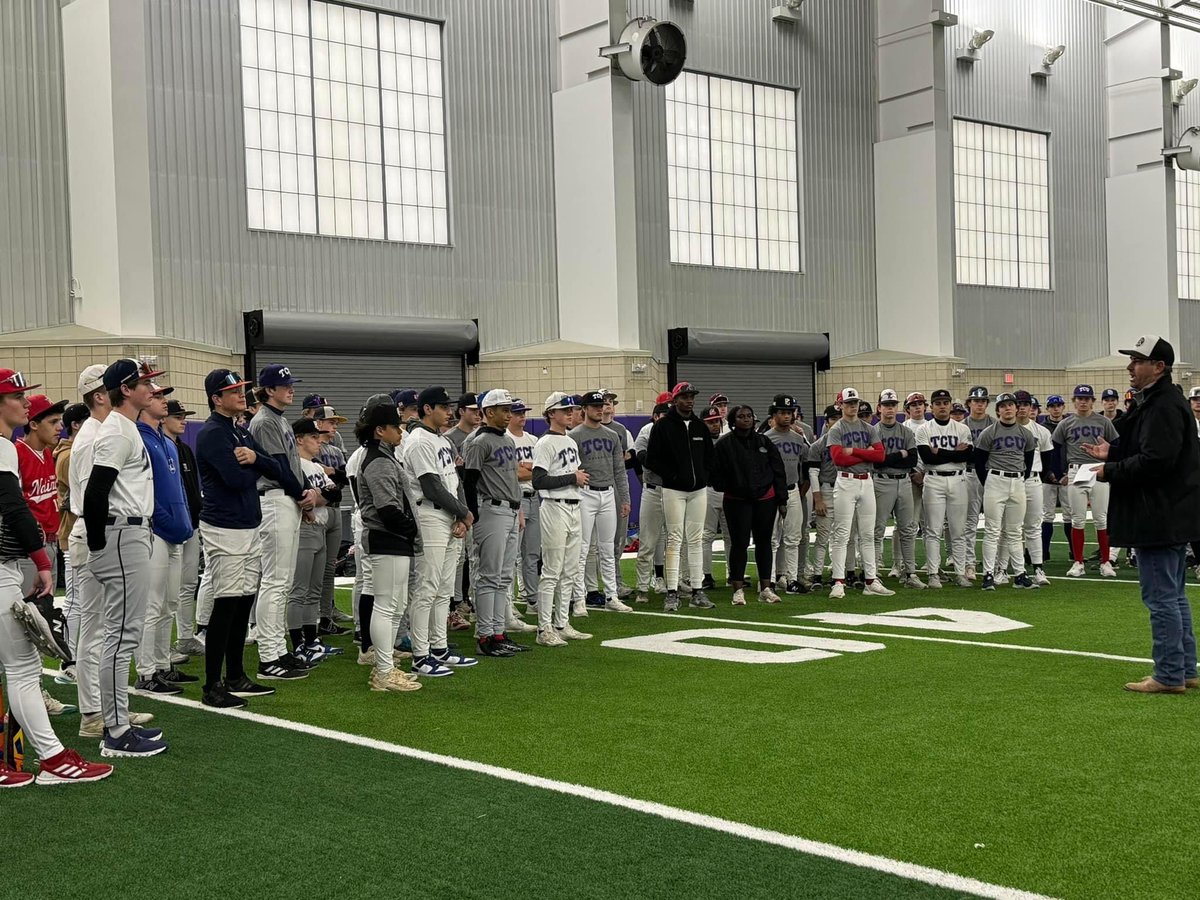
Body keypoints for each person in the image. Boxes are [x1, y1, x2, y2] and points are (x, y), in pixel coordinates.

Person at [0, 368, 113, 785]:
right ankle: (53, 758)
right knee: (25, 667)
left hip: (9, 565)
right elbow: (13, 508)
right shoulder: (4, 448)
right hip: (3, 566)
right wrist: (42, 562)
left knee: (14, 666)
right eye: (17, 396)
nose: (26, 402)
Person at [1083, 334, 1200, 693]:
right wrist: (1114, 452)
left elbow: (1156, 462)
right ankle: (1184, 669)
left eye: (1138, 360)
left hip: (1158, 514)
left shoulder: (1162, 405)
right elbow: (1152, 451)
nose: (1131, 367)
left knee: (1161, 596)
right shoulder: (1162, 401)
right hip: (1170, 512)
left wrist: (1110, 471)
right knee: (1174, 593)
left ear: (1158, 367)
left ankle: (1168, 675)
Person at [81, 359, 168, 757]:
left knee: (120, 635)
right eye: (143, 383)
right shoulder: (117, 429)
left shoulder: (124, 427)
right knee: (120, 637)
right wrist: (101, 543)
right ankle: (115, 732)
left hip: (129, 531)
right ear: (125, 389)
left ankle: (117, 722)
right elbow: (95, 492)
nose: (151, 388)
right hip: (121, 533)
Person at [195, 368, 287, 705]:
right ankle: (212, 685)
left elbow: (275, 467)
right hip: (225, 525)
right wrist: (257, 466)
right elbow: (236, 479)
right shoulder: (212, 434)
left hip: (246, 523)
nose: (241, 395)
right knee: (227, 602)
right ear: (216, 398)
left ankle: (235, 675)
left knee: (243, 599)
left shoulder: (239, 431)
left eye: (242, 389)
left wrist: (255, 460)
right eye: (233, 391)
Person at [247, 364, 319, 681]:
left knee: (283, 582)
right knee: (275, 582)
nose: (290, 389)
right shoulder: (263, 421)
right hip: (274, 498)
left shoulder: (277, 419)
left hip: (285, 499)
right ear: (269, 390)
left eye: (291, 384)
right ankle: (269, 657)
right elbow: (276, 467)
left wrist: (301, 495)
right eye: (284, 384)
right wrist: (303, 493)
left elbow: (288, 465)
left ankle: (279, 651)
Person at [402, 386, 477, 678]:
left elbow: (453, 482)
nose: (449, 412)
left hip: (448, 515)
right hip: (429, 514)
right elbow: (431, 486)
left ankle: (439, 648)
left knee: (444, 588)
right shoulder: (419, 440)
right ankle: (420, 655)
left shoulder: (441, 440)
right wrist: (463, 512)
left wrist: (461, 514)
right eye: (444, 407)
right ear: (427, 409)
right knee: (427, 587)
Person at [353, 400, 421, 693]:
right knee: (387, 605)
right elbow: (387, 509)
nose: (401, 432)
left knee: (394, 606)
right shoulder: (378, 460)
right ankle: (383, 671)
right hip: (387, 538)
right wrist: (410, 530)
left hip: (392, 539)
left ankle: (385, 667)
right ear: (379, 430)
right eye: (395, 427)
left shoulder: (383, 456)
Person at [132, 382, 196, 696]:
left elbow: (179, 488)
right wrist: (164, 519)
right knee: (152, 604)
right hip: (154, 530)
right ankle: (145, 672)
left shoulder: (167, 441)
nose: (163, 401)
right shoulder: (139, 438)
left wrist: (182, 521)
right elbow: (142, 489)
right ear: (143, 403)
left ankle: (162, 664)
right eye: (157, 396)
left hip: (173, 529)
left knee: (169, 603)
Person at [463, 389, 530, 657]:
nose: (508, 415)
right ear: (488, 412)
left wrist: (519, 509)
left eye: (509, 410)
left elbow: (511, 476)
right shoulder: (478, 441)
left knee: (503, 577)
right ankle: (485, 635)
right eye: (503, 410)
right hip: (490, 509)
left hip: (511, 509)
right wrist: (472, 514)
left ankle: (499, 632)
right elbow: (469, 479)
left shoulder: (506, 440)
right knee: (489, 576)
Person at [645, 382, 714, 611]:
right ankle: (672, 592)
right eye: (684, 397)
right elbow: (652, 459)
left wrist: (703, 476)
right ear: (674, 401)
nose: (689, 400)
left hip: (698, 490)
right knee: (674, 540)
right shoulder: (662, 426)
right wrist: (672, 476)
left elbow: (708, 456)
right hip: (673, 490)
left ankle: (697, 590)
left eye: (691, 396)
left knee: (694, 540)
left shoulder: (699, 426)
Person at [709, 404, 787, 605]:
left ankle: (766, 588)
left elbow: (778, 470)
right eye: (741, 416)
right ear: (733, 421)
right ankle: (737, 590)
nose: (746, 419)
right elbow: (714, 474)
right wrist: (733, 486)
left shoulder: (764, 442)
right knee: (739, 544)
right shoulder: (725, 445)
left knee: (764, 543)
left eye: (749, 416)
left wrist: (781, 499)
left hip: (765, 500)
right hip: (737, 501)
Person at [531, 393, 591, 646]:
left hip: (574, 504)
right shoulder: (546, 443)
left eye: (571, 410)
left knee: (570, 569)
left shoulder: (569, 440)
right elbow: (538, 480)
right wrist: (572, 478)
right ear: (550, 414)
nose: (570, 413)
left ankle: (561, 622)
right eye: (564, 410)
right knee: (552, 570)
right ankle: (544, 628)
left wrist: (575, 479)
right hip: (555, 506)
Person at [824, 389, 893, 599]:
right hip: (845, 481)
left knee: (867, 534)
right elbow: (838, 459)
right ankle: (838, 581)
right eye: (849, 402)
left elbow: (880, 456)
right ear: (840, 405)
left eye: (855, 402)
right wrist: (866, 455)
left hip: (866, 481)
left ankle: (870, 580)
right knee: (842, 534)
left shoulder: (868, 428)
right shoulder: (836, 429)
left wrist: (854, 451)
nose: (853, 406)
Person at [569, 391, 633, 614]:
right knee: (583, 548)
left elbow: (619, 470)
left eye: (602, 405)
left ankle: (611, 595)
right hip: (585, 493)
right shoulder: (574, 436)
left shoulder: (612, 435)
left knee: (608, 548)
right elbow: (571, 470)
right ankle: (579, 598)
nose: (599, 409)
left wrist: (624, 498)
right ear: (584, 409)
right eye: (595, 405)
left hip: (607, 493)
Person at [287, 418, 342, 665]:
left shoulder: (317, 467)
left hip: (318, 526)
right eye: (312, 436)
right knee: (299, 589)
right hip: (303, 528)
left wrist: (316, 497)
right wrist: (318, 497)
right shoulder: (294, 463)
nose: (318, 441)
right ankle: (297, 642)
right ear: (299, 438)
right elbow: (300, 495)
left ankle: (311, 639)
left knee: (314, 589)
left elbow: (336, 492)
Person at [1052, 385, 1119, 578]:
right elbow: (1055, 448)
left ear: (1092, 401)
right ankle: (1078, 562)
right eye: (1080, 398)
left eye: (1087, 398)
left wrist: (1111, 469)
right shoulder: (1066, 423)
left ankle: (1105, 561)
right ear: (1074, 401)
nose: (1083, 401)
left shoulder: (1104, 421)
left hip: (1098, 469)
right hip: (1076, 470)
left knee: (1101, 518)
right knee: (1077, 518)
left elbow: (1115, 445)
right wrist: (1059, 473)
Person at [973, 393, 1037, 591]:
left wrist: (1019, 479)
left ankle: (1019, 574)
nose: (1008, 408)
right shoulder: (989, 432)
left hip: (1017, 480)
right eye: (1004, 406)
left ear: (1016, 408)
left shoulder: (1025, 434)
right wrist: (990, 482)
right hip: (995, 479)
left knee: (1015, 531)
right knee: (992, 530)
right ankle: (988, 574)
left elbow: (1028, 459)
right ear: (998, 410)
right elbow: (979, 462)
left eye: (1011, 405)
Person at [915, 389, 974, 589]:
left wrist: (939, 451)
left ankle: (960, 572)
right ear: (931, 406)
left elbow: (967, 456)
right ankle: (933, 573)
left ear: (950, 405)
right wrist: (952, 452)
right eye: (938, 402)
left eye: (945, 402)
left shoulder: (962, 429)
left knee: (958, 530)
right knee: (933, 530)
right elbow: (928, 458)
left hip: (958, 479)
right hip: (934, 480)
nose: (942, 406)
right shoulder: (924, 429)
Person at [872, 389, 923, 589]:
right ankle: (873, 573)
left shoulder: (906, 431)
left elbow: (911, 459)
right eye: (886, 405)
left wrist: (890, 457)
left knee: (908, 529)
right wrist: (899, 454)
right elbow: (876, 462)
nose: (889, 409)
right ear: (879, 408)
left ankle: (910, 572)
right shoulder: (873, 431)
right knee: (877, 529)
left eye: (892, 405)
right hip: (882, 481)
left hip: (904, 481)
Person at [166, 399, 205, 658]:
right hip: (170, 527)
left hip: (191, 523)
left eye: (184, 416)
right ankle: (160, 647)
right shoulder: (160, 446)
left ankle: (185, 636)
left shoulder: (185, 449)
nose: (183, 420)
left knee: (188, 584)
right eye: (178, 415)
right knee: (167, 589)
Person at [54, 401, 89, 682]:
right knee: (74, 601)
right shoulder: (68, 456)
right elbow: (77, 498)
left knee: (81, 601)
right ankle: (68, 662)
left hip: (77, 532)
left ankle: (76, 657)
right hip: (71, 534)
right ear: (76, 424)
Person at [764, 395, 811, 596]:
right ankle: (771, 579)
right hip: (772, 491)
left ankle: (791, 579)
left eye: (789, 412)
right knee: (772, 538)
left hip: (792, 489)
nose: (786, 416)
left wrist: (802, 489)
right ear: (774, 415)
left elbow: (806, 466)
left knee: (793, 537)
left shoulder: (799, 438)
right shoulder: (766, 438)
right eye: (782, 412)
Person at [633, 395, 672, 603]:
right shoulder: (647, 431)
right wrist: (667, 467)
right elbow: (641, 457)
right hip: (654, 488)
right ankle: (641, 587)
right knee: (648, 541)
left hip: (674, 490)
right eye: (663, 415)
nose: (666, 418)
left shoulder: (676, 430)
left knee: (674, 540)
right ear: (655, 416)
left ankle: (674, 581)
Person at [1013, 392, 1053, 586]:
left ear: (1032, 408)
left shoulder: (1041, 431)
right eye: (1018, 404)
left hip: (1033, 480)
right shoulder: (1004, 429)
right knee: (1011, 528)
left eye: (1025, 404)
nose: (1021, 407)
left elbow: (1047, 460)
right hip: (1011, 480)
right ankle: (1011, 568)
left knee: (1034, 526)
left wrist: (1039, 478)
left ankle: (1038, 567)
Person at [506, 399, 541, 620]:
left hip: (535, 497)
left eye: (523, 413)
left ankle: (532, 599)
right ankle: (508, 601)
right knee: (511, 555)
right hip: (516, 496)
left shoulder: (534, 440)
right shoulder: (506, 440)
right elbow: (516, 473)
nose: (522, 417)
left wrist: (529, 468)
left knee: (532, 553)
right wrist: (531, 468)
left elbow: (541, 471)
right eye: (518, 413)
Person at [961, 386, 995, 581]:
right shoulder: (963, 425)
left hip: (991, 473)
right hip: (970, 473)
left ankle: (996, 564)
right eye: (976, 401)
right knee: (970, 521)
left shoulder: (994, 424)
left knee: (994, 521)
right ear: (969, 403)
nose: (979, 404)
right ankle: (970, 563)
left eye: (983, 401)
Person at [807, 406, 842, 585]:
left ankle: (841, 573)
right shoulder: (819, 444)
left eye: (839, 417)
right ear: (826, 422)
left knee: (844, 536)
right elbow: (813, 473)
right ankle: (818, 574)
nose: (836, 421)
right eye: (833, 418)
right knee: (823, 535)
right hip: (827, 489)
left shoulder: (849, 442)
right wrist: (818, 499)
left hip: (845, 488)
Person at [697, 404, 727, 591]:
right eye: (710, 422)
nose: (715, 425)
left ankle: (733, 574)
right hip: (707, 490)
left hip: (728, 491)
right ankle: (706, 575)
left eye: (716, 421)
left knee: (730, 535)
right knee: (707, 534)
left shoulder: (727, 441)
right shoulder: (699, 442)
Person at [1040, 394, 1071, 561]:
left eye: (1058, 405)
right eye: (1052, 406)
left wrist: (1067, 472)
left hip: (1067, 475)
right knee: (1047, 514)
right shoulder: (1042, 427)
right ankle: (1044, 552)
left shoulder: (1069, 425)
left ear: (1063, 407)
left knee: (1070, 514)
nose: (1056, 408)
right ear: (1047, 409)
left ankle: (1074, 552)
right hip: (1047, 476)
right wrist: (1048, 472)